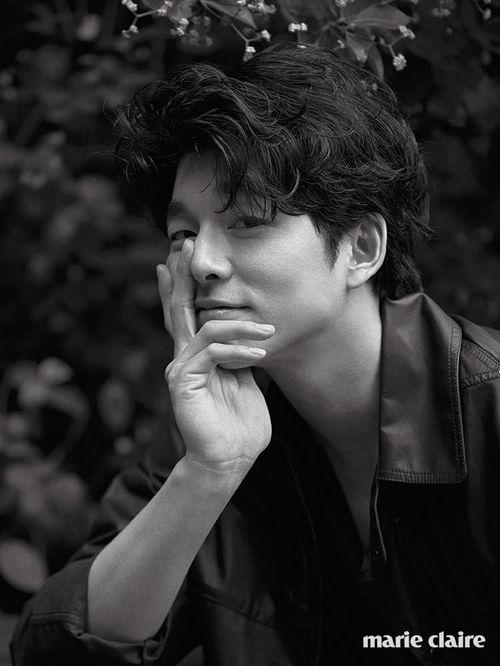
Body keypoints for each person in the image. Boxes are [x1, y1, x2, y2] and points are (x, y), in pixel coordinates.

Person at [11, 43, 500, 666]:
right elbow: (51, 652)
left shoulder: (488, 411)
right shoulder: (214, 427)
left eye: (247, 221)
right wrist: (209, 473)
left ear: (361, 248)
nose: (203, 263)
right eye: (184, 232)